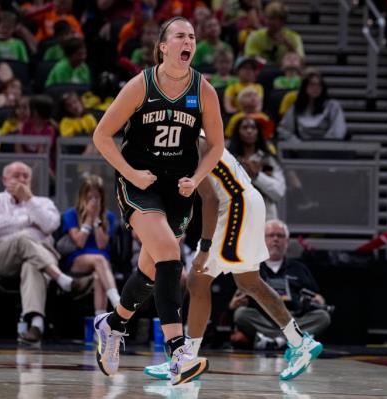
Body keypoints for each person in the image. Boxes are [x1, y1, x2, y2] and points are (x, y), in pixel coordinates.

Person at [91, 16, 224, 385]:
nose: (189, 41)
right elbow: (102, 135)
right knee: (169, 253)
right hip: (140, 181)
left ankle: (114, 324)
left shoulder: (204, 90)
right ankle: (178, 352)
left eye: (193, 37)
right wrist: (130, 174)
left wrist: (197, 178)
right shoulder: (141, 84)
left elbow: (216, 146)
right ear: (163, 46)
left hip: (178, 187)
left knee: (151, 268)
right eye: (180, 35)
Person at [143, 139, 323, 382]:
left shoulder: (188, 141)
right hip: (246, 201)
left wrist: (205, 248)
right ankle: (299, 341)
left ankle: (187, 359)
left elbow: (210, 199)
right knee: (249, 282)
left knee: (198, 279)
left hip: (234, 206)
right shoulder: (196, 132)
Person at [0, 161, 94, 345]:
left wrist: (29, 201)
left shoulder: (43, 203)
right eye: (16, 175)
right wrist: (29, 221)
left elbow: (50, 224)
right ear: (4, 180)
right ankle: (64, 281)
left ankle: (36, 325)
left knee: (32, 263)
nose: (22, 180)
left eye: (25, 176)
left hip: (39, 257)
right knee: (23, 239)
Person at [230, 219, 331, 349]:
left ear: (287, 242)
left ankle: (274, 341)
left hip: (295, 319)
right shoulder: (251, 268)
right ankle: (292, 340)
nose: (276, 239)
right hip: (264, 319)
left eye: (280, 236)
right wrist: (233, 305)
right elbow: (235, 303)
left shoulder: (299, 268)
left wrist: (319, 300)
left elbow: (316, 296)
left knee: (323, 317)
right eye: (271, 235)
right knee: (241, 314)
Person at [60, 175, 120, 316]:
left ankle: (100, 323)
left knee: (99, 274)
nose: (93, 201)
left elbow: (101, 245)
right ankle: (117, 301)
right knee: (99, 260)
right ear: (82, 197)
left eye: (97, 198)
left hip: (102, 262)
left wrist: (97, 220)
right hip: (78, 259)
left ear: (102, 198)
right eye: (89, 197)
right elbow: (79, 242)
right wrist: (88, 218)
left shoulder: (109, 217)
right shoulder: (71, 214)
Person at [227, 116, 284, 220]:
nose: (249, 131)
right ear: (237, 132)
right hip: (235, 216)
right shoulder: (229, 160)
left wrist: (257, 176)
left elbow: (278, 192)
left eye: (253, 127)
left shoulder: (268, 160)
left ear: (258, 132)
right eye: (245, 127)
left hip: (265, 218)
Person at [277, 69, 347, 141]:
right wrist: (297, 144)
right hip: (301, 147)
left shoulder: (333, 106)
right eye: (312, 84)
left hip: (328, 147)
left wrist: (323, 145)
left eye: (319, 85)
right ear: (305, 87)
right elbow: (284, 129)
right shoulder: (296, 106)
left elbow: (338, 130)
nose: (316, 88)